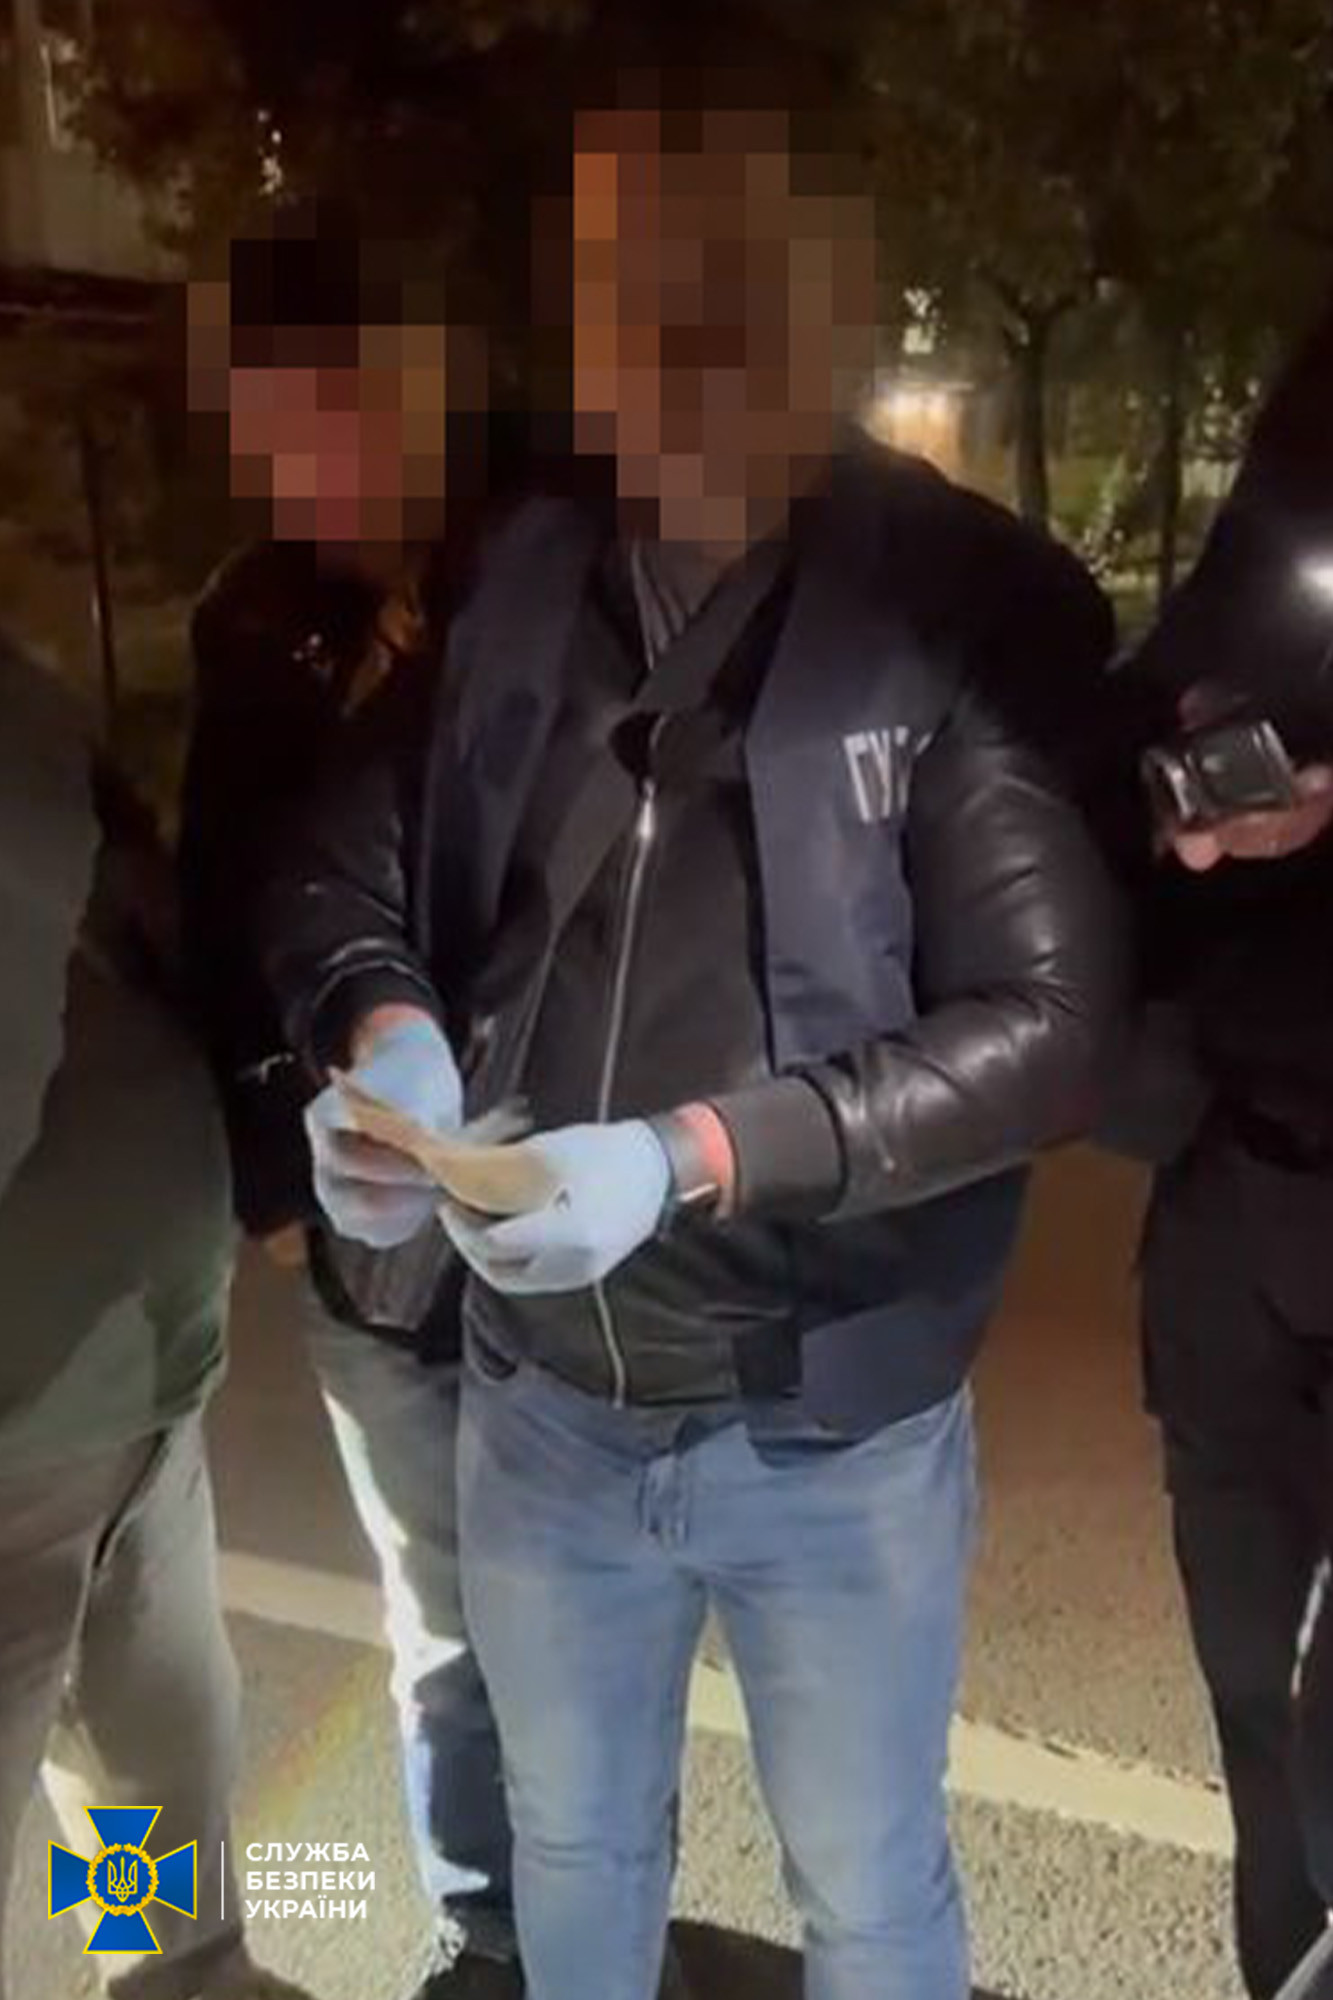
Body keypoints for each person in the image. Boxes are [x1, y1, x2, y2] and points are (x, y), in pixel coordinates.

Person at [263, 21, 1126, 1999]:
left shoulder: (961, 605)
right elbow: (343, 853)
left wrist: (691, 1154)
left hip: (824, 1425)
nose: (657, 337)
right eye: (612, 281)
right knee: (575, 1849)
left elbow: (1051, 1019)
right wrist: (383, 1040)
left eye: (712, 272)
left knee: (868, 1892)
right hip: (540, 1406)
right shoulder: (526, 562)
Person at [178, 210, 523, 2000]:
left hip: (557, 1199)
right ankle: (474, 1932)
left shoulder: (546, 569)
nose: (280, 467)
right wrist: (267, 1175)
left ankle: (180, 1960)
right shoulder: (258, 629)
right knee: (441, 1626)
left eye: (307, 413)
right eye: (254, 428)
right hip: (352, 1256)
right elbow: (224, 903)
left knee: (593, 1619)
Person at [0, 637, 311, 2000]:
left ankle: (182, 1976)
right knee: (134, 1736)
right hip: (36, 1404)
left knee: (143, 1743)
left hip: (125, 1384)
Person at [1111, 294, 1333, 2000]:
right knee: (1253, 1695)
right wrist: (1169, 782)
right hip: (1238, 1213)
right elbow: (1128, 731)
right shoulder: (1305, 446)